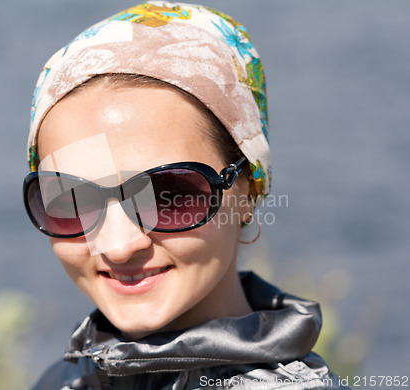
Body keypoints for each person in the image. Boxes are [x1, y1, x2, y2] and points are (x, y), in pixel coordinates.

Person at [24, 2, 349, 389]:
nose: (117, 246)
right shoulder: (62, 379)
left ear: (247, 188)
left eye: (168, 193)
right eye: (71, 199)